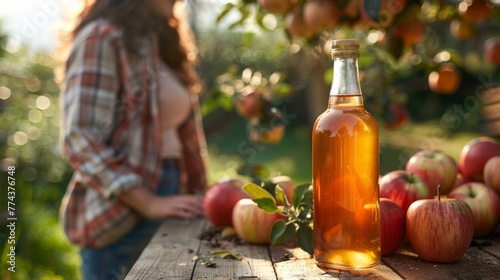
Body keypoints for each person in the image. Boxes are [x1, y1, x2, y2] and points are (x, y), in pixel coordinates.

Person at [59, 0, 208, 279]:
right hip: (123, 214)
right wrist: (148, 201)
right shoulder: (102, 36)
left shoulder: (155, 43)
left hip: (170, 195)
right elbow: (80, 138)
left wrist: (203, 194)